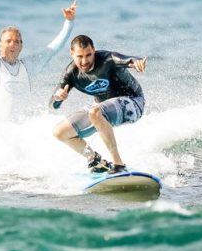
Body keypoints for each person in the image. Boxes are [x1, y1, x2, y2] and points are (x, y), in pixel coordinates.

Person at [0, 0, 77, 122]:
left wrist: (69, 22)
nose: (13, 44)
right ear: (0, 44)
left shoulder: (28, 67)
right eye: (8, 41)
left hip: (19, 136)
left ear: (21, 46)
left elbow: (53, 48)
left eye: (17, 41)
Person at [50, 35, 148, 174]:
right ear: (71, 54)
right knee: (60, 132)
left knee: (95, 112)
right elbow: (53, 104)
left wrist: (136, 61)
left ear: (94, 50)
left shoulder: (107, 59)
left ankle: (118, 165)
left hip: (132, 102)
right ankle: (96, 160)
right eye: (80, 56)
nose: (85, 61)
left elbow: (127, 59)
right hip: (101, 109)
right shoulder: (71, 73)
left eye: (89, 55)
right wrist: (58, 98)